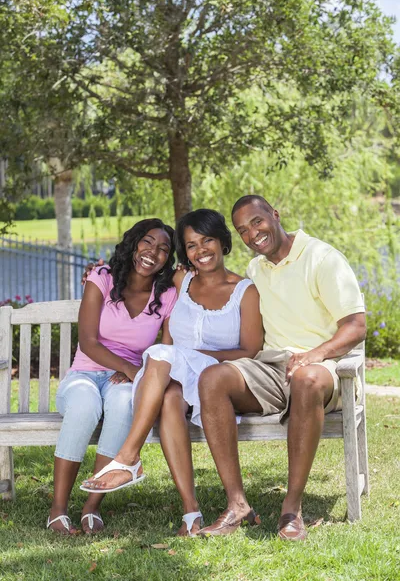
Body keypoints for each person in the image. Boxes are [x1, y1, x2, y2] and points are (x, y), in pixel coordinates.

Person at [81, 209, 263, 536]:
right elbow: (138, 273)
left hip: (220, 380)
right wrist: (97, 271)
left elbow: (250, 351)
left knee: (164, 355)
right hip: (178, 377)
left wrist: (188, 355)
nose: (200, 250)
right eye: (191, 245)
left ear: (224, 242)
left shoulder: (244, 291)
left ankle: (129, 457)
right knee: (168, 397)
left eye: (207, 240)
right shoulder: (181, 279)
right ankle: (191, 514)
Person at [194, 195, 366, 540]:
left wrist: (315, 354)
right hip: (272, 368)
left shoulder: (322, 257)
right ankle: (237, 504)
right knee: (212, 379)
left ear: (275, 214)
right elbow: (221, 286)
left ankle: (291, 509)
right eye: (242, 230)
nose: (252, 234)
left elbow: (356, 325)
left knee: (305, 379)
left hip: (324, 370)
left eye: (256, 221)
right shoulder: (257, 269)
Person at [47, 219, 177, 534]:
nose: (152, 252)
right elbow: (89, 341)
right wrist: (130, 369)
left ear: (167, 259)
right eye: (147, 242)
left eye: (162, 249)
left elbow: (168, 348)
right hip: (85, 374)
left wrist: (137, 373)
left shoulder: (168, 295)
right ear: (134, 243)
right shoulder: (102, 278)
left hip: (127, 383)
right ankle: (58, 509)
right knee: (84, 406)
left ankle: (92, 507)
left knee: (122, 405)